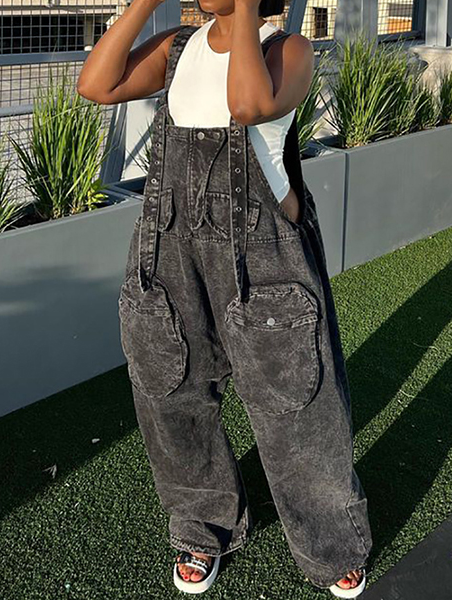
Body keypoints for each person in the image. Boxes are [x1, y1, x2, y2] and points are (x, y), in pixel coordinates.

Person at [77, 0, 373, 596]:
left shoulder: (286, 50)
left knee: (296, 404)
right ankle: (200, 528)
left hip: (262, 257)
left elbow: (246, 105)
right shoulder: (178, 48)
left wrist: (243, 11)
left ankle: (330, 542)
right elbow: (96, 85)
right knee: (172, 394)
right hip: (169, 250)